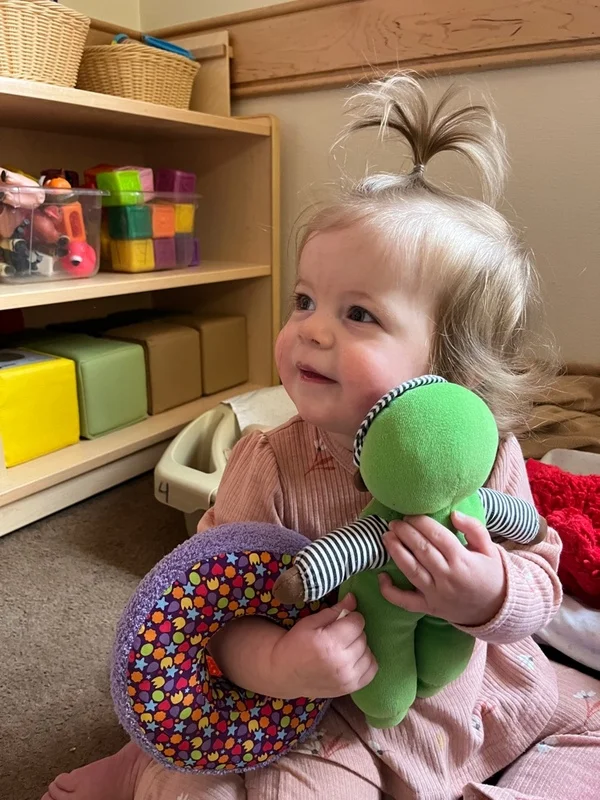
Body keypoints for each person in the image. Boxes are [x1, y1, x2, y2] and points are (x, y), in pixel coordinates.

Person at [43, 73, 600, 800]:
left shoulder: (488, 455)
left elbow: (542, 575)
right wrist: (279, 664)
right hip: (326, 707)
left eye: (358, 314)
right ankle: (144, 763)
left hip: (477, 695)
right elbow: (208, 606)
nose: (309, 327)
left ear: (449, 367)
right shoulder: (268, 461)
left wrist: (485, 591)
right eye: (304, 300)